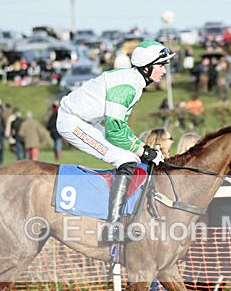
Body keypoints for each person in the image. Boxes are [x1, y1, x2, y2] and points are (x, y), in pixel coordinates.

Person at [56, 39, 174, 243]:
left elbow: (120, 128)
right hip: (72, 122)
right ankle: (113, 226)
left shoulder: (135, 83)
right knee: (127, 160)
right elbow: (114, 132)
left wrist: (142, 147)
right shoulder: (128, 87)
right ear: (147, 67)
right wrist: (144, 151)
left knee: (132, 157)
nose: (164, 71)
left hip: (85, 121)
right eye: (161, 65)